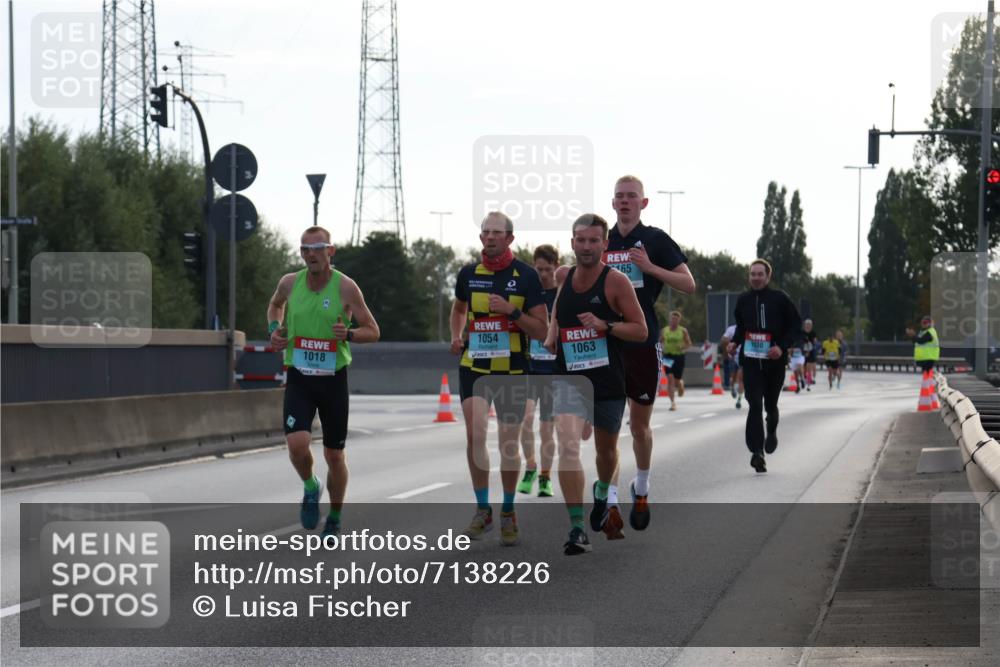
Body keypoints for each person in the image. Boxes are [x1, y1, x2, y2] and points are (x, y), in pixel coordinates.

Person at [267, 226, 381, 538]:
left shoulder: (346, 287)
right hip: (300, 377)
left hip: (333, 380)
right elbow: (275, 305)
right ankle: (310, 486)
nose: (311, 254)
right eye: (305, 249)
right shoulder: (290, 283)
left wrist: (351, 335)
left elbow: (374, 330)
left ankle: (334, 517)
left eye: (318, 248)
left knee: (334, 455)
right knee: (297, 443)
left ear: (330, 251)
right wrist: (274, 329)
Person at [543, 214, 647, 555]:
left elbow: (640, 330)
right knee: (568, 445)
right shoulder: (564, 276)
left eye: (593, 241)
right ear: (572, 242)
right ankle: (576, 528)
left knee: (605, 451)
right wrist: (550, 332)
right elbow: (559, 307)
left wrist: (607, 326)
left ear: (604, 244)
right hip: (569, 376)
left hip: (607, 380)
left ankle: (602, 494)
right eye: (580, 240)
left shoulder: (616, 282)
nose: (586, 246)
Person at [450, 212, 549, 546]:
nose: (489, 237)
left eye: (496, 233)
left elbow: (542, 329)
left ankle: (507, 510)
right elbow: (459, 308)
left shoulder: (526, 276)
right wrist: (455, 333)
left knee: (508, 441)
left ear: (510, 238)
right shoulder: (468, 274)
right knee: (475, 433)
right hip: (474, 365)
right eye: (485, 232)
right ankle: (483, 510)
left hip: (513, 368)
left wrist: (510, 311)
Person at [603, 175, 695, 531]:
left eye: (632, 197)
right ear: (613, 203)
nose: (625, 202)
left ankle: (641, 488)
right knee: (608, 429)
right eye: (619, 197)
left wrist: (651, 268)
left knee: (639, 428)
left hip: (642, 340)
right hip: (606, 342)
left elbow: (688, 284)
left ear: (643, 203)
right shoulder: (603, 241)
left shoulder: (654, 239)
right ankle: (609, 501)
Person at [728, 259, 802, 473]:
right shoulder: (743, 301)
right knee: (754, 405)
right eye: (753, 274)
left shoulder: (780, 299)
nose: (756, 278)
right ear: (749, 277)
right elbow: (741, 328)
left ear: (768, 276)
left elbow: (795, 327)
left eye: (760, 274)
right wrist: (735, 342)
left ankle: (772, 430)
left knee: (770, 406)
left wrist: (781, 346)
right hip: (751, 362)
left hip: (774, 362)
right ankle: (756, 452)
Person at [517, 244, 559, 498]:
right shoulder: (527, 294)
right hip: (529, 367)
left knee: (547, 429)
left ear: (556, 266)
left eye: (547, 269)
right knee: (525, 419)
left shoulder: (561, 295)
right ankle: (530, 467)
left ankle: (545, 477)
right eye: (538, 269)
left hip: (553, 371)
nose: (542, 274)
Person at [660, 310, 693, 411]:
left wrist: (683, 347)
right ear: (670, 320)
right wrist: (660, 348)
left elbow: (689, 343)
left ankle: (680, 384)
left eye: (676, 319)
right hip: (667, 356)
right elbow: (660, 341)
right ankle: (672, 403)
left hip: (679, 356)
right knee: (669, 378)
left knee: (676, 380)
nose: (674, 321)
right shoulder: (665, 330)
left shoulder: (683, 330)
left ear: (679, 321)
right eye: (672, 319)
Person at [723, 324, 744, 408]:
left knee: (741, 378)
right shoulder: (731, 329)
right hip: (733, 356)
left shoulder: (747, 326)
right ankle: (732, 389)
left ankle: (739, 399)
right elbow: (723, 339)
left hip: (743, 356)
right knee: (733, 377)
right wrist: (729, 345)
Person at [802, 319, 818, 386]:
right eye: (807, 325)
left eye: (809, 325)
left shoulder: (813, 333)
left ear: (811, 326)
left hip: (811, 350)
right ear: (804, 325)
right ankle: (804, 378)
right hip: (803, 350)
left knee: (809, 366)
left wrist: (814, 342)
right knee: (804, 365)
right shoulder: (802, 332)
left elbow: (814, 341)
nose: (808, 326)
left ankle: (809, 379)